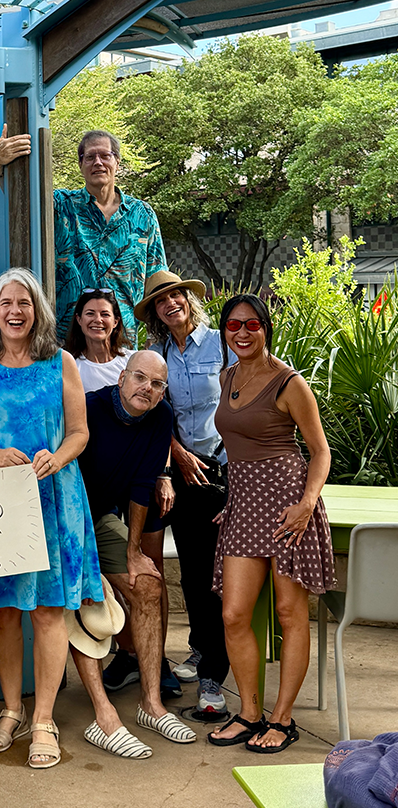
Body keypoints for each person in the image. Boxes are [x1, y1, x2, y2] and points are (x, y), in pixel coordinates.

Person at [0, 269, 116, 769]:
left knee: (49, 610)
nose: (15, 311)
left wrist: (59, 457)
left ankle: (43, 718)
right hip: (0, 501)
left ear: (38, 309)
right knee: (3, 610)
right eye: (5, 302)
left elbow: (80, 432)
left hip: (54, 498)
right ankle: (10, 709)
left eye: (24, 302)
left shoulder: (61, 362)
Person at [207, 294, 334, 754]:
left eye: (252, 325)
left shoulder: (289, 383)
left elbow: (320, 451)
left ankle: (282, 720)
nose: (242, 333)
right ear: (225, 331)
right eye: (234, 325)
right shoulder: (227, 376)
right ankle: (249, 714)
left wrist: (306, 504)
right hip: (244, 503)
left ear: (266, 329)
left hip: (286, 503)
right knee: (235, 613)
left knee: (288, 613)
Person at [78, 351, 198, 750]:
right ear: (122, 378)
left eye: (157, 384)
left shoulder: (161, 418)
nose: (147, 388)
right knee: (86, 592)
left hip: (102, 520)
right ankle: (103, 715)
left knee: (147, 584)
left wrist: (132, 552)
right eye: (140, 378)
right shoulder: (90, 406)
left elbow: (143, 485)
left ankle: (151, 703)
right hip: (65, 519)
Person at [139, 270, 233, 719]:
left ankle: (216, 670)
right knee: (194, 572)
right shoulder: (158, 356)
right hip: (182, 473)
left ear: (188, 299)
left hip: (225, 469)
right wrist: (176, 453)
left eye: (176, 295)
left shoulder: (221, 343)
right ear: (155, 313)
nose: (171, 303)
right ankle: (201, 648)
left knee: (222, 576)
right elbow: (156, 412)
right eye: (161, 301)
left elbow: (244, 400)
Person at [0, 127, 166, 343]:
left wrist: (157, 336)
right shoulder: (60, 204)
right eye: (90, 157)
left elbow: (156, 277)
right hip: (67, 338)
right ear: (80, 165)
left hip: (123, 338)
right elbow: (20, 199)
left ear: (117, 163)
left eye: (105, 156)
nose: (98, 163)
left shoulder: (142, 214)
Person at [65, 286, 131, 393]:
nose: (98, 320)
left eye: (105, 314)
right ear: (79, 319)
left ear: (115, 322)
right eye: (90, 313)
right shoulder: (69, 367)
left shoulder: (131, 361)